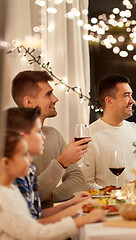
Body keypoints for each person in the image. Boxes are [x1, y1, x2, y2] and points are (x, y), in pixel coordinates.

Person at [0, 130, 105, 240]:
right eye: (25, 156)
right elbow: (34, 233)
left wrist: (71, 204)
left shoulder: (11, 189)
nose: (31, 161)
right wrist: (81, 220)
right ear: (6, 163)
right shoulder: (4, 195)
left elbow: (34, 217)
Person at [6, 107, 99, 223]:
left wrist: (71, 204)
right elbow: (29, 228)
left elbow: (36, 215)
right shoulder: (10, 176)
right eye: (39, 131)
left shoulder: (29, 170)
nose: (44, 137)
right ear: (22, 137)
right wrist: (75, 214)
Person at [11, 70, 89, 207]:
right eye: (48, 94)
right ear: (29, 102)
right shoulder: (9, 142)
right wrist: (62, 161)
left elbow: (79, 180)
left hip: (46, 219)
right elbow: (29, 193)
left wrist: (51, 196)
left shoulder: (53, 134)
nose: (55, 99)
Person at [81, 74, 136, 188]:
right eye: (126, 95)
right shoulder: (89, 136)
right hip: (107, 204)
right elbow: (86, 184)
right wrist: (119, 195)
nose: (132, 101)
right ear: (109, 101)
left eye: (131, 95)